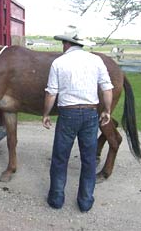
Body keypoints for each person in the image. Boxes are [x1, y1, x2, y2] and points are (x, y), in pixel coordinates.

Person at [42, 26, 113, 212]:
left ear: (66, 43)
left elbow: (51, 93)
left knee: (60, 157)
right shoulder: (96, 60)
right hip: (91, 114)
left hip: (68, 114)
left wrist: (46, 113)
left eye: (62, 43)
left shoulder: (59, 62)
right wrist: (107, 110)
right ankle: (85, 201)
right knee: (88, 159)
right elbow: (107, 88)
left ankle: (56, 199)